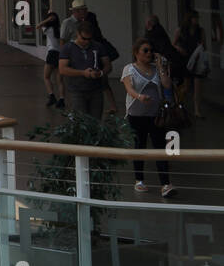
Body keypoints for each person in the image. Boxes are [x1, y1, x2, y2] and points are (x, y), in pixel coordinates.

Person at [122, 38, 176, 197]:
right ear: (136, 53)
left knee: (160, 148)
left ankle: (166, 184)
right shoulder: (129, 69)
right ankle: (139, 180)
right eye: (145, 50)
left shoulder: (156, 69)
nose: (149, 53)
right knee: (140, 146)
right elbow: (128, 88)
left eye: (151, 50)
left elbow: (167, 85)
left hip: (156, 115)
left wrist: (160, 67)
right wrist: (139, 97)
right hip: (137, 115)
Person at [58, 23, 114, 119]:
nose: (86, 42)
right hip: (77, 90)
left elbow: (108, 65)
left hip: (96, 89)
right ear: (77, 34)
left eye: (89, 39)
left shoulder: (98, 46)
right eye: (83, 38)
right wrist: (83, 73)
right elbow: (62, 69)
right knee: (81, 121)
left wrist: (100, 73)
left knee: (95, 120)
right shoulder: (68, 48)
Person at [175, 11, 207, 121]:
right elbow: (174, 44)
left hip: (197, 61)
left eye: (197, 18)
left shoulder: (201, 31)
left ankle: (197, 110)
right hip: (186, 60)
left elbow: (204, 45)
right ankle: (179, 102)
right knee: (186, 86)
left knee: (198, 87)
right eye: (194, 18)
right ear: (189, 19)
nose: (197, 20)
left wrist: (201, 48)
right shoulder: (181, 31)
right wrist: (179, 49)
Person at [41, 10, 63, 108]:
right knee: (60, 79)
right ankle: (62, 99)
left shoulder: (48, 29)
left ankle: (52, 96)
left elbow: (38, 25)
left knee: (46, 77)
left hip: (52, 53)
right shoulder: (60, 28)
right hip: (60, 54)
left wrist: (48, 19)